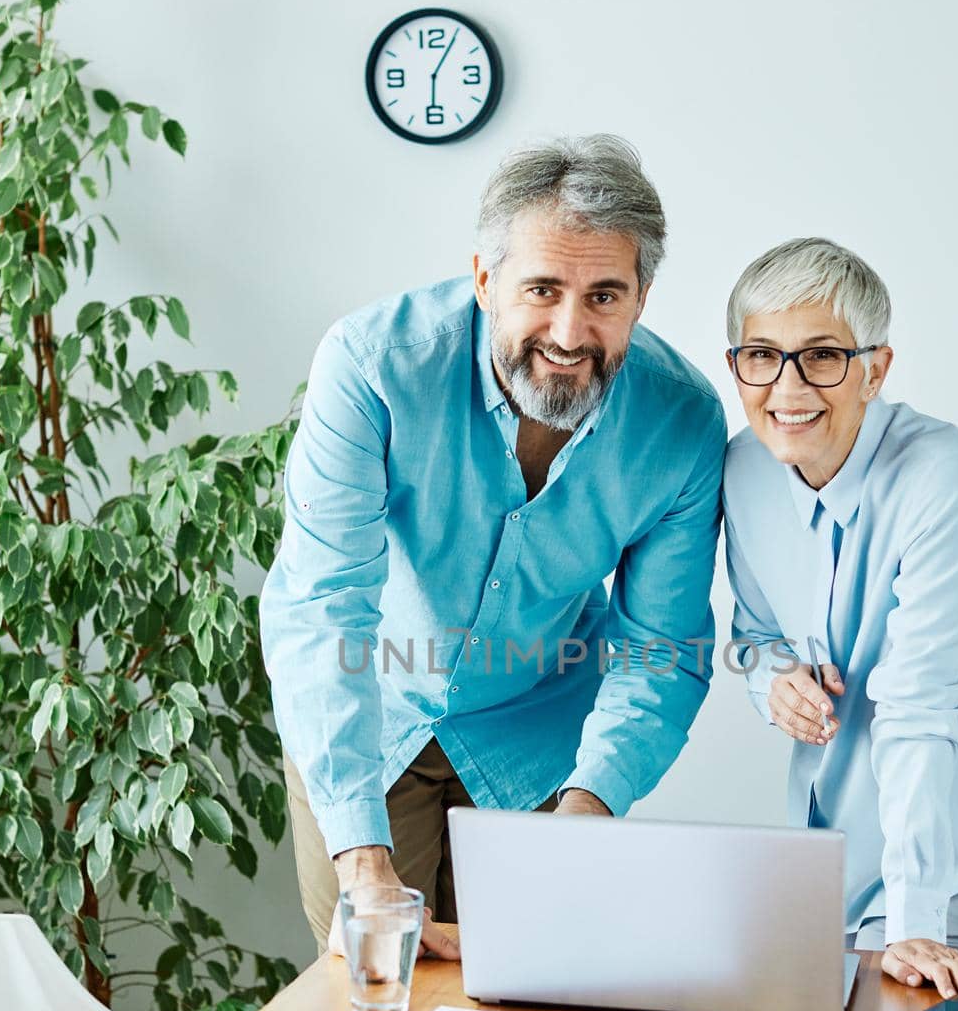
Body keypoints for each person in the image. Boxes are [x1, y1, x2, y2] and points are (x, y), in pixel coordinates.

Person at [260, 135, 726, 958]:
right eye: (541, 289)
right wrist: (364, 866)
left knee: (536, 987)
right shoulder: (373, 365)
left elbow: (661, 644)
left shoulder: (680, 419)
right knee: (376, 987)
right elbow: (323, 607)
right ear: (485, 279)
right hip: (369, 720)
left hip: (541, 737)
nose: (569, 330)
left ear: (641, 299)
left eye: (604, 296)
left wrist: (590, 810)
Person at [722, 237, 958, 998]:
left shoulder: (945, 475)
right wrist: (770, 680)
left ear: (875, 369)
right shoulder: (743, 466)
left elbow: (917, 704)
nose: (787, 386)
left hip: (947, 850)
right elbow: (750, 636)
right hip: (825, 844)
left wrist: (915, 921)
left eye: (822, 355)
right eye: (761, 355)